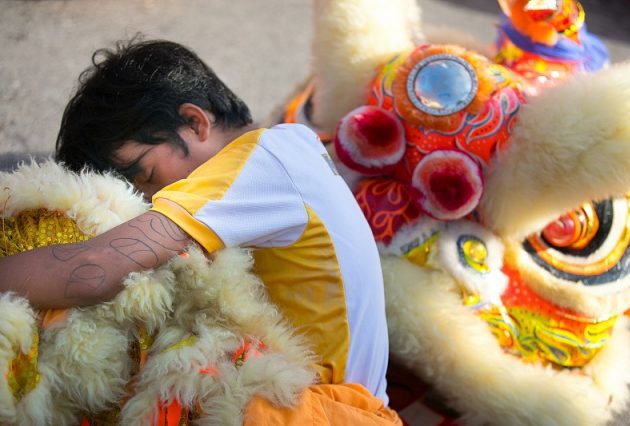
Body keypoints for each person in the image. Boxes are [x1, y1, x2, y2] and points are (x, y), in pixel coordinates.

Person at [0, 38, 399, 423]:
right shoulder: (288, 154)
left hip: (317, 414)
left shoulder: (266, 159)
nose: (147, 201)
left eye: (146, 176)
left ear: (194, 122)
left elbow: (96, 265)